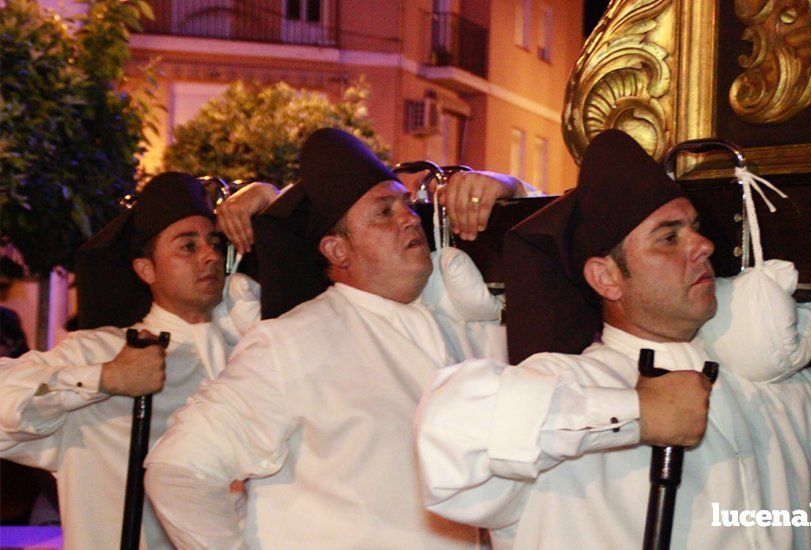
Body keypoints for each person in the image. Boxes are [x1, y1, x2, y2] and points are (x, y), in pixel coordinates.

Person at [414, 130, 811, 549]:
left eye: (696, 230)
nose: (702, 246)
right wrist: (637, 414)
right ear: (606, 277)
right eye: (669, 238)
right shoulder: (571, 382)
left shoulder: (779, 394)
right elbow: (449, 435)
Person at [143, 128, 531, 549]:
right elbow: (177, 469)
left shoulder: (463, 324)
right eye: (383, 212)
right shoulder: (291, 343)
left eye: (405, 204)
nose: (407, 217)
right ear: (337, 250)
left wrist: (511, 188)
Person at [0, 173, 261, 549]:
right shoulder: (100, 351)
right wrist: (105, 379)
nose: (210, 256)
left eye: (214, 243)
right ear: (146, 269)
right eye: (187, 247)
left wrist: (268, 198)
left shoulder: (251, 345)